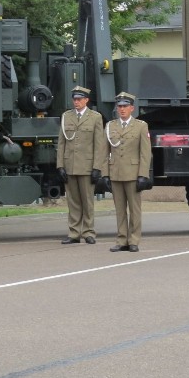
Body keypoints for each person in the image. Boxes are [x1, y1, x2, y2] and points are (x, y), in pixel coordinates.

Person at [56, 86, 107, 245]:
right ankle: (74, 233)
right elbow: (62, 142)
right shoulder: (66, 116)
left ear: (86, 100)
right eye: (74, 99)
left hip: (87, 166)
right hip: (70, 164)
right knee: (73, 201)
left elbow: (99, 144)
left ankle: (89, 232)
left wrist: (97, 167)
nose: (76, 102)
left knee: (87, 201)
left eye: (79, 99)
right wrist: (60, 165)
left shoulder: (95, 117)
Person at [105, 92, 152, 253]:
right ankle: (121, 239)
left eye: (125, 106)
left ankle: (134, 240)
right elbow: (104, 151)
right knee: (119, 209)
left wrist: (143, 175)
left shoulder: (140, 126)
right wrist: (105, 173)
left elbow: (145, 153)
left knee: (134, 209)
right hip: (116, 172)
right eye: (120, 106)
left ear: (132, 108)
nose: (122, 109)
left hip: (133, 173)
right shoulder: (111, 126)